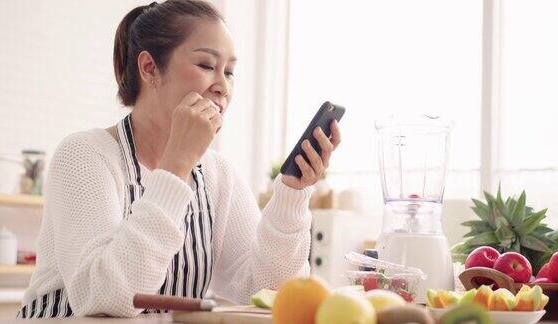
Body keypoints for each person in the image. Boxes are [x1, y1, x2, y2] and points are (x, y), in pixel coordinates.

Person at [17, 0, 341, 318]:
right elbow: (105, 296)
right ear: (149, 68)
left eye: (229, 72)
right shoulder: (84, 154)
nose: (223, 87)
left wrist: (291, 194)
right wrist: (176, 165)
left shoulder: (218, 174)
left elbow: (268, 291)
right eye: (206, 66)